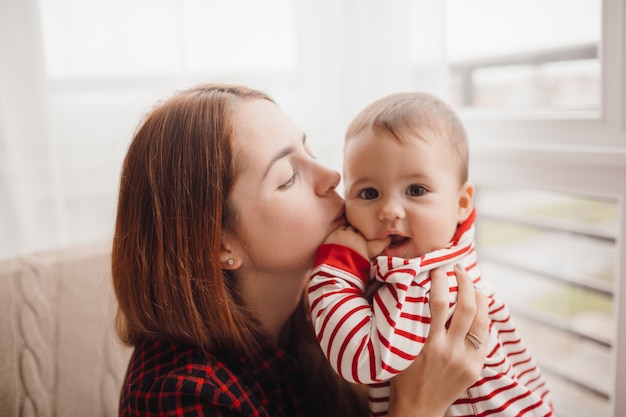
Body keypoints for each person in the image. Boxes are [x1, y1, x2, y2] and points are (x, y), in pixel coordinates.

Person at [111, 83, 489, 417]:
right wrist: (418, 407)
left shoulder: (333, 310)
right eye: (288, 178)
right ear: (219, 244)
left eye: (309, 150)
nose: (332, 178)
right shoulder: (176, 395)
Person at [308, 92, 554, 416]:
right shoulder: (446, 263)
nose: (389, 210)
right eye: (368, 193)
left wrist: (338, 265)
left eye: (416, 190)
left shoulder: (422, 285)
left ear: (461, 203)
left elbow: (360, 358)